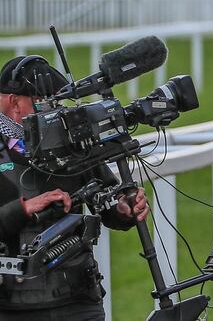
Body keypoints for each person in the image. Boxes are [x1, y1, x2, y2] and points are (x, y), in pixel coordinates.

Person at [0, 55, 150, 320]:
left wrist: (124, 208)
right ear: (15, 103)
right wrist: (24, 209)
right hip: (12, 307)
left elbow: (108, 200)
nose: (55, 111)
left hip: (79, 301)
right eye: (45, 103)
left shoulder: (70, 138)